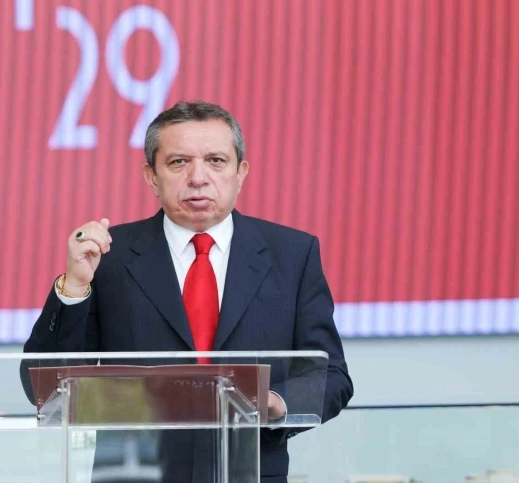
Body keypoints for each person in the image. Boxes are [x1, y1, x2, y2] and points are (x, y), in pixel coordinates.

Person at [23, 101, 353, 482]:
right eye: (179, 162)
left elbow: (331, 376)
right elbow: (44, 389)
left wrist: (277, 403)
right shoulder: (109, 258)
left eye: (216, 161)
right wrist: (75, 286)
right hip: (136, 473)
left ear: (240, 173)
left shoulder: (292, 255)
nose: (198, 177)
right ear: (151, 176)